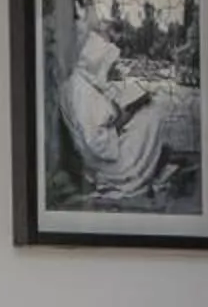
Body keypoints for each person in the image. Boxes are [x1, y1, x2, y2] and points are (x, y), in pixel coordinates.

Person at [57, 23, 169, 205]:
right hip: (106, 164)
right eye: (108, 66)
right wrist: (127, 114)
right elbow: (99, 144)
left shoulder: (82, 81)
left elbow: (102, 115)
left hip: (101, 150)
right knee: (151, 117)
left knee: (148, 112)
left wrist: (124, 109)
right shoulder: (83, 93)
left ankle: (148, 160)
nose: (110, 70)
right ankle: (132, 174)